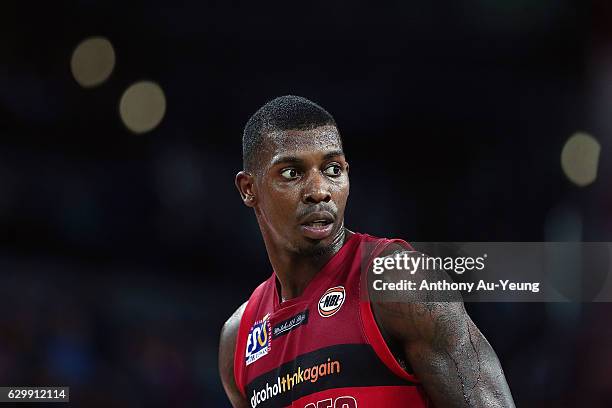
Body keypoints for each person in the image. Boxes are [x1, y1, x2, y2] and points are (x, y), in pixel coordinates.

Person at [219, 95, 515, 408]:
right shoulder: (238, 340)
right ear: (248, 189)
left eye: (333, 169)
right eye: (292, 173)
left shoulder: (400, 280)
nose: (319, 191)